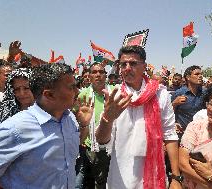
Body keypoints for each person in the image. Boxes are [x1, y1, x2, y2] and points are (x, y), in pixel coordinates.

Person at [0, 63, 93, 188]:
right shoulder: (15, 129)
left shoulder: (70, 117)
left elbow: (73, 144)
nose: (77, 91)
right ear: (49, 95)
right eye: (72, 87)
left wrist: (84, 125)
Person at [96, 45, 181, 189]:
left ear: (144, 67)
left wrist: (176, 177)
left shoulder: (160, 94)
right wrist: (107, 119)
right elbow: (102, 140)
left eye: (133, 63)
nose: (127, 68)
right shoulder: (114, 95)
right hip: (121, 176)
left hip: (154, 174)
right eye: (123, 64)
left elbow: (170, 135)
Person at [75, 63, 113, 189]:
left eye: (101, 72)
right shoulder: (82, 95)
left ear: (105, 75)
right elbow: (76, 120)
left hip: (112, 146)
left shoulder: (114, 92)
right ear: (89, 76)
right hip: (90, 147)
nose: (98, 75)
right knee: (94, 181)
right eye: (94, 72)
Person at [0, 68, 34, 140]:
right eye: (16, 89)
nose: (22, 93)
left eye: (26, 88)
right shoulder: (2, 110)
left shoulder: (47, 108)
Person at [171, 65, 205, 138]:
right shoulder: (178, 93)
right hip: (182, 134)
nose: (200, 76)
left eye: (201, 74)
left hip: (200, 135)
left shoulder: (205, 93)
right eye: (196, 74)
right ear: (188, 77)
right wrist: (174, 104)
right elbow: (168, 113)